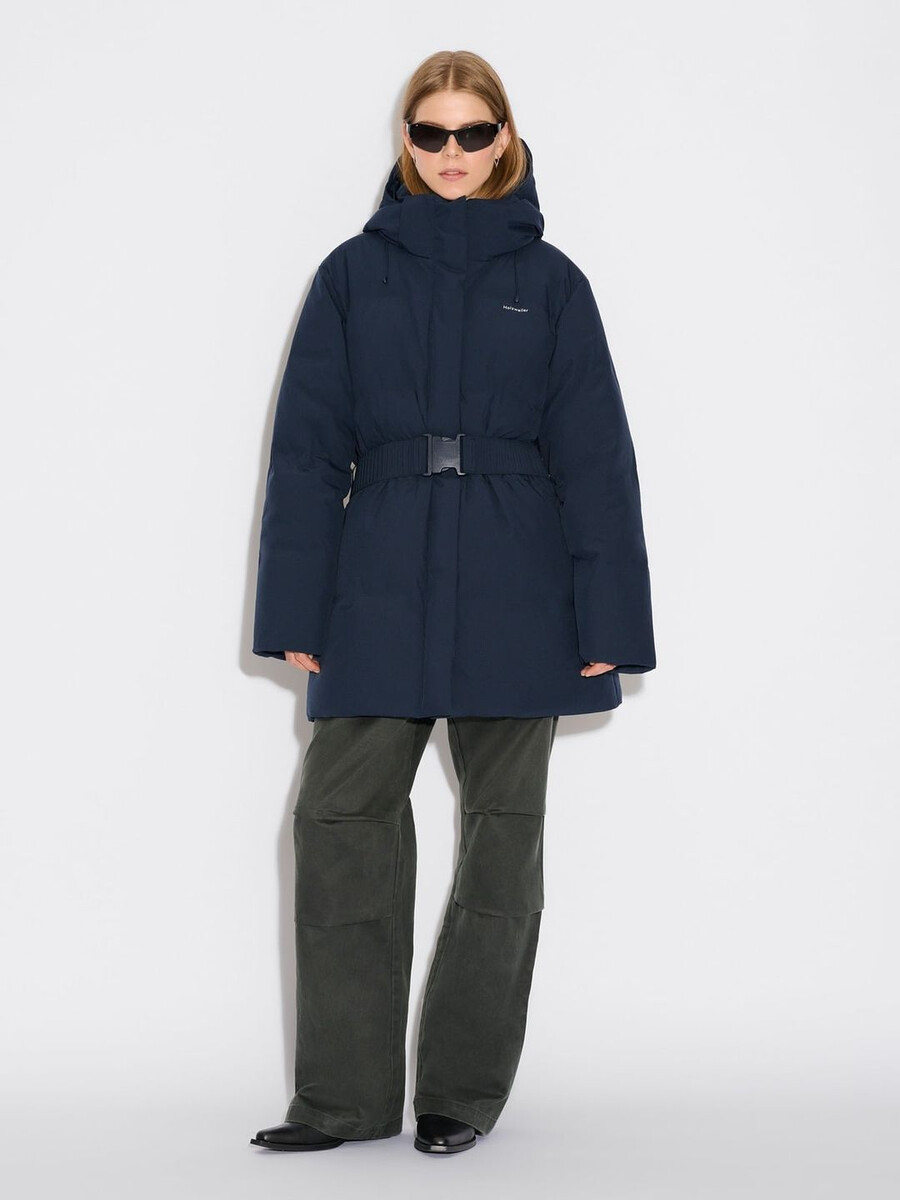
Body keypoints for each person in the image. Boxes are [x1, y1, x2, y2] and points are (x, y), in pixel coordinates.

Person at [249, 49, 656, 1156]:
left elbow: (597, 459)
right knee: (339, 822)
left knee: (502, 843)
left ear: (505, 138)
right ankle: (341, 1099)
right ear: (406, 141)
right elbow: (305, 452)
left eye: (474, 132)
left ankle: (459, 1094)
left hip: (519, 582)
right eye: (431, 133)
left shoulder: (554, 282)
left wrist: (609, 622)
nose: (453, 153)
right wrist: (295, 608)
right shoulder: (351, 275)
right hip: (379, 575)